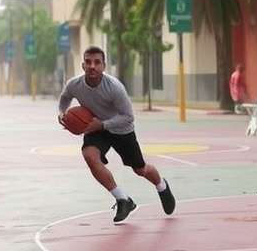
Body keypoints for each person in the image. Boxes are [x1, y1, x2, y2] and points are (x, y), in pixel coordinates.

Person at [57, 46, 176, 223]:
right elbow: (65, 97)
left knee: (140, 169)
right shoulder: (74, 85)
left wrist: (103, 124)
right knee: (89, 156)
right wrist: (61, 112)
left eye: (97, 62)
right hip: (95, 128)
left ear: (104, 66)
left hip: (121, 129)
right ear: (82, 65)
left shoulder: (114, 88)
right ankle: (123, 199)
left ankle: (162, 186)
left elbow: (128, 117)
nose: (92, 66)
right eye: (88, 62)